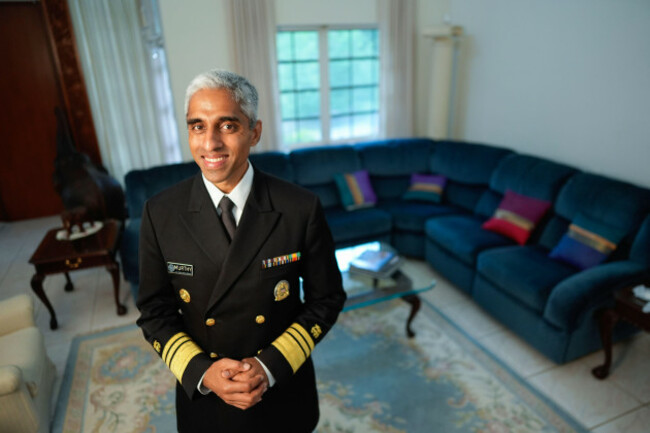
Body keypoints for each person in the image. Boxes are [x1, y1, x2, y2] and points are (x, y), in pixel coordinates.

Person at [136, 69, 346, 432]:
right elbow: (154, 312)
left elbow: (326, 299)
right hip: (205, 397)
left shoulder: (300, 208)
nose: (210, 143)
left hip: (281, 391)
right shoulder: (160, 213)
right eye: (197, 126)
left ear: (255, 132)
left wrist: (269, 367)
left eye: (227, 126)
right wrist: (203, 371)